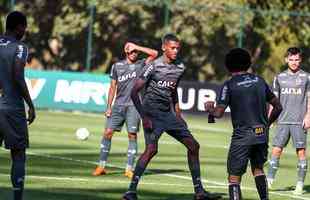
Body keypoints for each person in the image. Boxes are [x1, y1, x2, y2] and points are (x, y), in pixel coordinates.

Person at [122, 34, 221, 200]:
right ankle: (130, 192)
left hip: (168, 114)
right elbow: (134, 92)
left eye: (177, 48)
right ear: (164, 48)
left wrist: (178, 113)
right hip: (151, 113)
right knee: (151, 150)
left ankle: (199, 192)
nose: (175, 51)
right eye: (172, 48)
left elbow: (173, 90)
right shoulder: (152, 66)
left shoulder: (180, 67)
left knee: (194, 146)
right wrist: (144, 117)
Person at [205, 48, 282, 200]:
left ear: (228, 65)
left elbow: (219, 113)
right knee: (258, 169)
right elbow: (278, 106)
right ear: (248, 63)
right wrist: (266, 124)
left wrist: (210, 109)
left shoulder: (229, 85)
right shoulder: (259, 81)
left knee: (234, 177)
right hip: (261, 134)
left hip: (242, 136)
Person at [92, 39, 158, 178]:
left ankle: (129, 169)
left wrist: (138, 46)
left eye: (136, 51)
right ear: (126, 52)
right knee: (107, 133)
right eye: (132, 51)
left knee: (132, 135)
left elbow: (154, 54)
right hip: (118, 106)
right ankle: (101, 166)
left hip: (134, 106)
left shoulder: (142, 64)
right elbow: (112, 87)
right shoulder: (117, 66)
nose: (134, 53)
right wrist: (108, 107)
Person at [0, 11, 36, 200]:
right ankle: (17, 198)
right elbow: (17, 76)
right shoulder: (20, 47)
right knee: (18, 154)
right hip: (11, 106)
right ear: (19, 27)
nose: (25, 31)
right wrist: (30, 104)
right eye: (24, 26)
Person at [267, 47, 310, 195]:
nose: (294, 62)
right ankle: (269, 180)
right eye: (291, 59)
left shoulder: (307, 77)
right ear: (286, 60)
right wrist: (270, 118)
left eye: (296, 59)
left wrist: (308, 116)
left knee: (301, 152)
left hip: (299, 121)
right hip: (283, 121)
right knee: (276, 150)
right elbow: (274, 100)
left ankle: (299, 184)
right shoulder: (279, 77)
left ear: (300, 60)